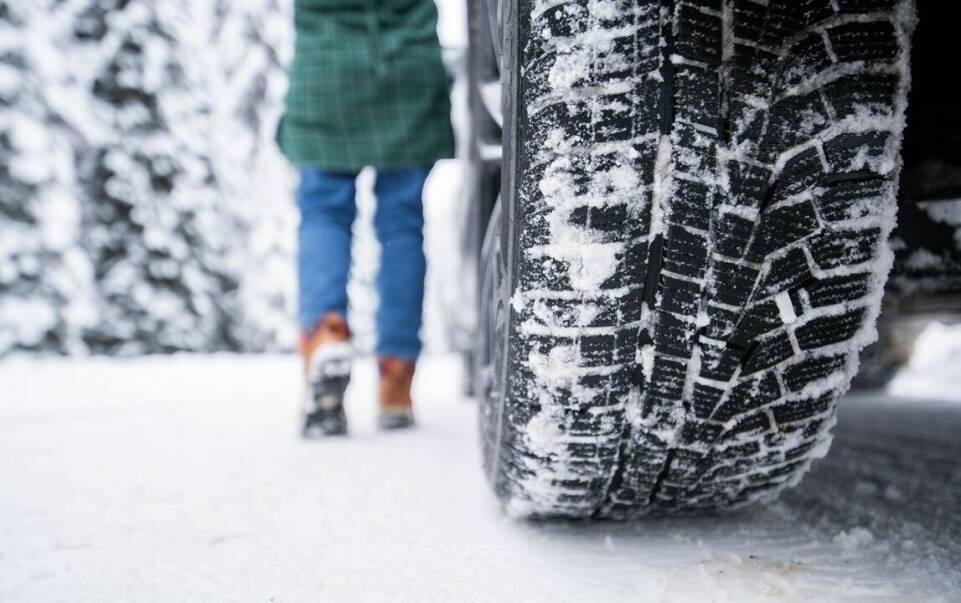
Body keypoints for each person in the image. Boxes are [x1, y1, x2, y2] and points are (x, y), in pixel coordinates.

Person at [277, 0, 454, 437]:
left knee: (324, 213)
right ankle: (396, 374)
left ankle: (325, 335)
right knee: (401, 223)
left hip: (326, 68)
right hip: (408, 67)